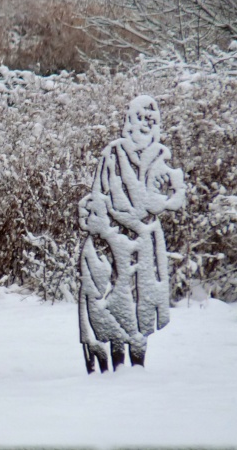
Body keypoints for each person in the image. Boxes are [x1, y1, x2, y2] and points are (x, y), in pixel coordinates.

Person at [78, 95, 186, 372]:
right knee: (117, 305)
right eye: (140, 119)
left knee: (143, 309)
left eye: (151, 121)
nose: (145, 125)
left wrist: (172, 192)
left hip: (147, 242)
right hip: (116, 241)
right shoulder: (113, 154)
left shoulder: (160, 157)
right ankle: (116, 365)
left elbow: (169, 200)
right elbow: (99, 196)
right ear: (129, 122)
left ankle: (138, 367)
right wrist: (106, 229)